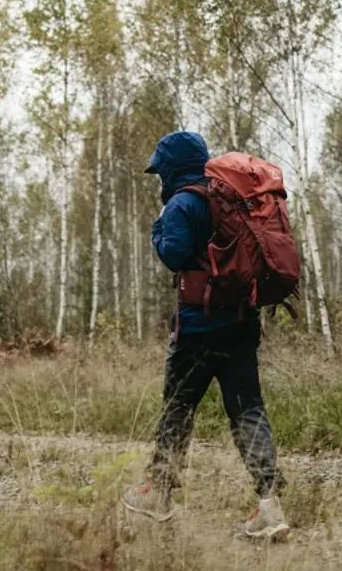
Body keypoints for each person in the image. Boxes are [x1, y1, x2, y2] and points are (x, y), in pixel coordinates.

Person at [121, 131, 289, 540]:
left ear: (172, 168)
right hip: (241, 324)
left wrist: (156, 231)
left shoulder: (182, 203)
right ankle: (270, 505)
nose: (159, 177)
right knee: (248, 409)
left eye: (160, 170)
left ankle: (158, 494)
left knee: (178, 408)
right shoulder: (230, 197)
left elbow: (174, 253)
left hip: (197, 328)